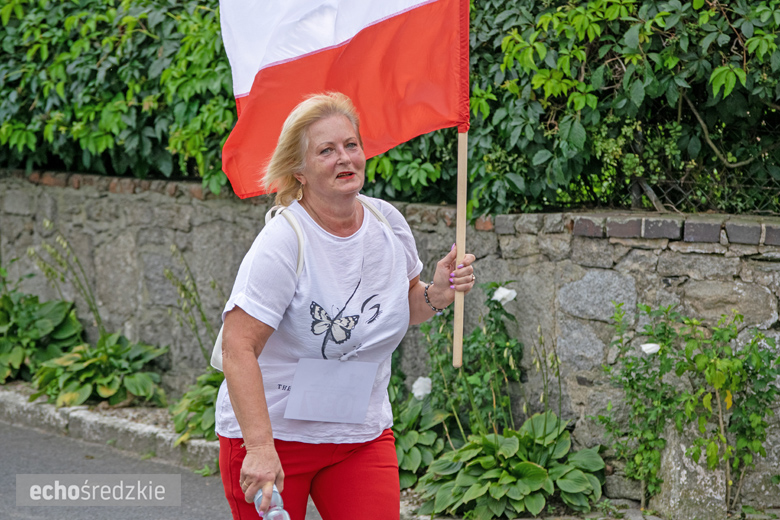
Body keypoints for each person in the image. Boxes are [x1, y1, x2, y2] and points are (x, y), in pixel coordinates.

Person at [216, 92, 476, 520]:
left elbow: (406, 304)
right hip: (276, 439)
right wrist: (260, 448)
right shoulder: (283, 242)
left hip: (358, 434)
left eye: (351, 145)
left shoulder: (386, 223)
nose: (345, 158)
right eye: (327, 150)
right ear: (298, 171)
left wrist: (438, 293)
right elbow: (237, 347)